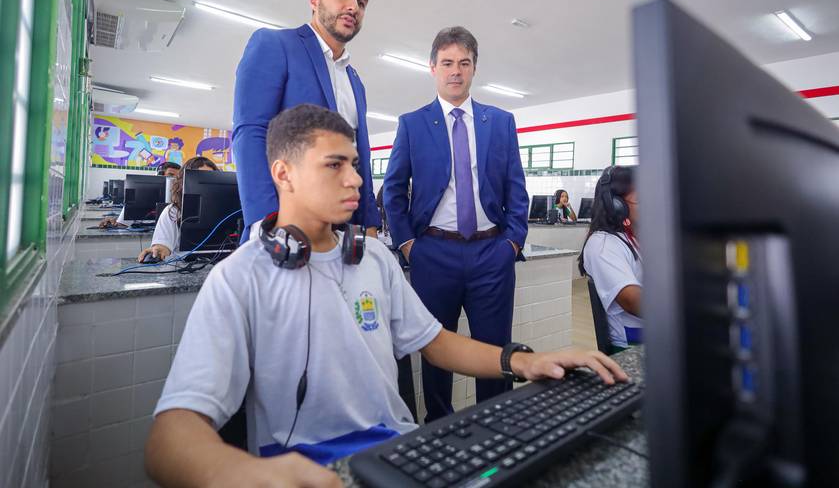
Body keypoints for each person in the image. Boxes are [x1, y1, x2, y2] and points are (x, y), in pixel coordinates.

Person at [145, 105, 626, 487]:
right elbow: (168, 440)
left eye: (354, 165)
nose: (355, 179)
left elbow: (434, 341)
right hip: (302, 468)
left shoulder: (372, 259)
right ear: (283, 173)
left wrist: (523, 361)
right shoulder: (239, 278)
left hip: (397, 452)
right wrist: (241, 475)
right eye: (334, 165)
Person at [383, 27, 530, 422]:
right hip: (434, 254)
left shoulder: (500, 122)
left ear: (474, 69)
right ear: (432, 68)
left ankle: (496, 426)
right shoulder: (413, 124)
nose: (455, 71)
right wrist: (409, 245)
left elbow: (517, 189)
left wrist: (512, 243)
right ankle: (439, 428)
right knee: (436, 350)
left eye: (464, 63)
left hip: (491, 252)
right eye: (447, 63)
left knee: (495, 349)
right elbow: (393, 191)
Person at [232, 0, 380, 241]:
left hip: (340, 235)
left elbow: (359, 158)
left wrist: (369, 224)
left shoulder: (355, 80)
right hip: (285, 228)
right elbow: (250, 132)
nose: (353, 7)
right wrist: (268, 220)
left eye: (361, 2)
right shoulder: (275, 45)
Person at [578, 166, 642, 349]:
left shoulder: (639, 237)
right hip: (633, 345)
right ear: (616, 205)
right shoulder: (603, 244)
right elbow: (633, 301)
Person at [136, 157, 218, 262]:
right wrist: (159, 250)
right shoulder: (173, 211)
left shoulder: (229, 211)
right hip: (183, 269)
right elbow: (163, 246)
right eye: (200, 178)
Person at [99, 161, 181, 229]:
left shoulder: (181, 199)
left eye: (178, 177)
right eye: (170, 175)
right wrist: (111, 223)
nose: (175, 180)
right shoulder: (140, 195)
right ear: (159, 175)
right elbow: (122, 225)